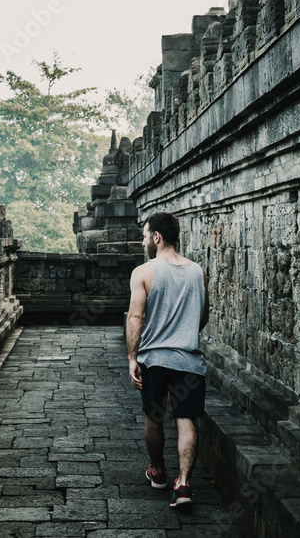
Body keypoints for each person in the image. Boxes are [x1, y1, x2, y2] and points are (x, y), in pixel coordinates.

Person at [125, 212, 209, 508]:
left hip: (155, 359)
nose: (144, 240)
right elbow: (203, 315)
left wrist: (132, 357)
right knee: (186, 419)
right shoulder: (197, 271)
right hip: (188, 360)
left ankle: (158, 470)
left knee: (154, 416)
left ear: (157, 237)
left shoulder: (144, 272)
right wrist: (184, 337)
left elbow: (135, 316)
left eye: (146, 235)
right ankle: (184, 485)